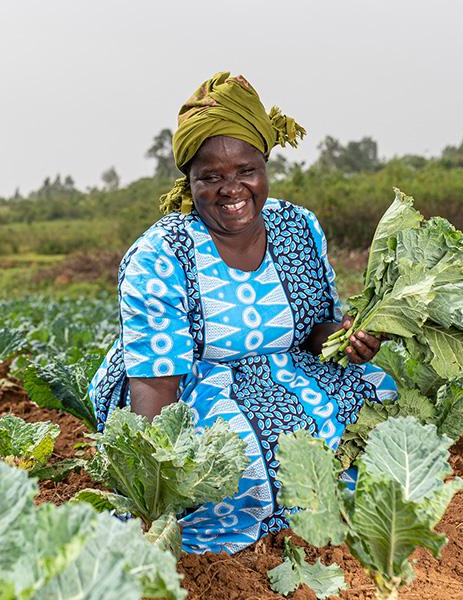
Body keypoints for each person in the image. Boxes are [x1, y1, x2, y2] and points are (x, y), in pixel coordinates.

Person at [89, 72, 397, 554]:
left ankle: (332, 529)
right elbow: (155, 387)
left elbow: (313, 328)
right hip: (190, 386)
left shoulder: (296, 227)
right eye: (210, 177)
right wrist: (154, 491)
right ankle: (227, 549)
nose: (231, 189)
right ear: (189, 183)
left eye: (245, 171)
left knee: (378, 400)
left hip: (284, 370)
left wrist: (342, 338)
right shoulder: (162, 254)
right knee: (248, 449)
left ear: (264, 168)